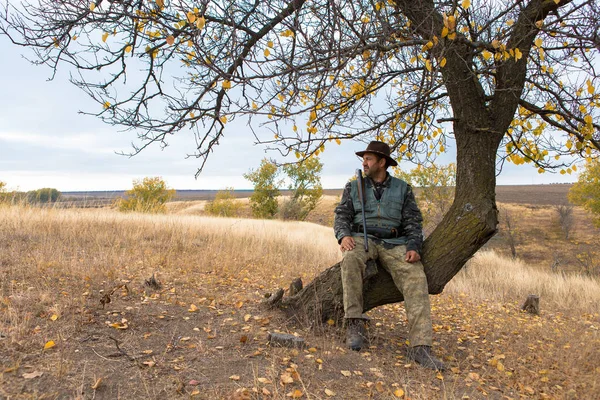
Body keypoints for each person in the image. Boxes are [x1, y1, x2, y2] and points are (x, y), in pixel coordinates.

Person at [333, 140, 445, 371]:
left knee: (416, 277)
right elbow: (342, 214)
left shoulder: (403, 188)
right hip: (362, 238)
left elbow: (414, 220)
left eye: (369, 159)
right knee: (350, 259)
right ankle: (354, 323)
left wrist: (414, 246)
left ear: (382, 163)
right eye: (363, 159)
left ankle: (420, 346)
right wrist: (343, 235)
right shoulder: (353, 187)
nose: (364, 163)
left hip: (395, 243)